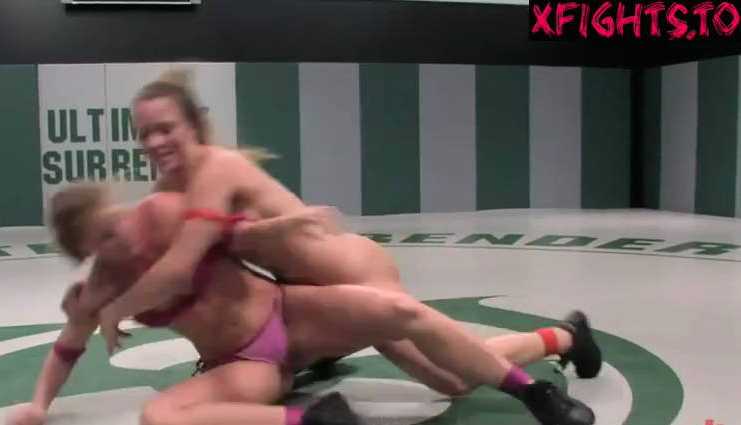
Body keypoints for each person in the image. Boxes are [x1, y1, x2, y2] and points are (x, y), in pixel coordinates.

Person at [88, 68, 601, 390]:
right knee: (447, 371)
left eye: (164, 129)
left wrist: (113, 309)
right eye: (143, 133)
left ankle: (564, 337)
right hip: (314, 287)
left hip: (351, 271)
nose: (153, 143)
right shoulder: (174, 187)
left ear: (193, 126)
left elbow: (179, 267)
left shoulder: (216, 171)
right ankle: (560, 338)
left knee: (453, 378)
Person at [6, 184, 597, 425]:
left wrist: (286, 227)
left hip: (292, 314)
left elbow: (235, 229)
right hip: (244, 365)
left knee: (413, 328)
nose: (123, 240)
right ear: (88, 254)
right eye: (104, 242)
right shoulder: (98, 290)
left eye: (117, 224)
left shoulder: (165, 219)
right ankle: (315, 419)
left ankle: (540, 379)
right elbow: (67, 348)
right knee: (158, 420)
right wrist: (37, 404)